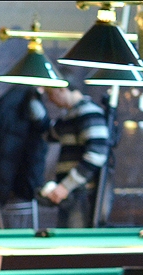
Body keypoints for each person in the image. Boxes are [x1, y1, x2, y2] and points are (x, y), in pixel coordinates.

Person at [36, 84, 110, 228]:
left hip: (83, 193)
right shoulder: (69, 115)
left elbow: (97, 155)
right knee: (66, 237)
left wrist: (65, 186)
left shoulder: (89, 112)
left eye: (50, 94)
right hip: (71, 192)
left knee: (76, 240)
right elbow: (49, 134)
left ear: (62, 89)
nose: (50, 100)